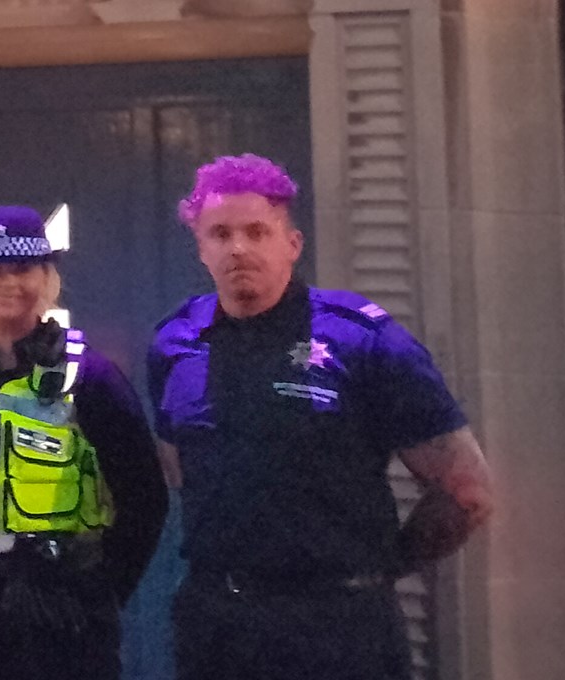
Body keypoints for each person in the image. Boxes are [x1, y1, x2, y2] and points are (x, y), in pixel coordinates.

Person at [148, 155, 495, 680]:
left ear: (292, 244)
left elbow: (468, 490)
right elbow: (179, 470)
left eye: (257, 231)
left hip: (339, 630)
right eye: (220, 233)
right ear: (201, 248)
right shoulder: (176, 342)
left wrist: (382, 567)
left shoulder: (364, 341)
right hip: (218, 627)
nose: (238, 247)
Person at [0, 206, 165, 680]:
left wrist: (98, 596)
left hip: (59, 617)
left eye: (22, 268)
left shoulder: (91, 378)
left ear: (46, 278)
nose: (7, 283)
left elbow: (145, 500)